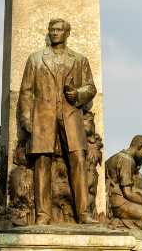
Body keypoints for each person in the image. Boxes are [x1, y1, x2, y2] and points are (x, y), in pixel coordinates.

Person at [16, 18, 97, 224]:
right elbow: (26, 92)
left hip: (70, 116)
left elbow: (90, 88)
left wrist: (77, 94)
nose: (54, 33)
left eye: (59, 30)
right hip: (43, 117)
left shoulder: (79, 60)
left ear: (67, 33)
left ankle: (84, 213)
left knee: (78, 160)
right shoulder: (35, 59)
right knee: (42, 162)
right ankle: (43, 214)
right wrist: (26, 119)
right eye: (52, 29)